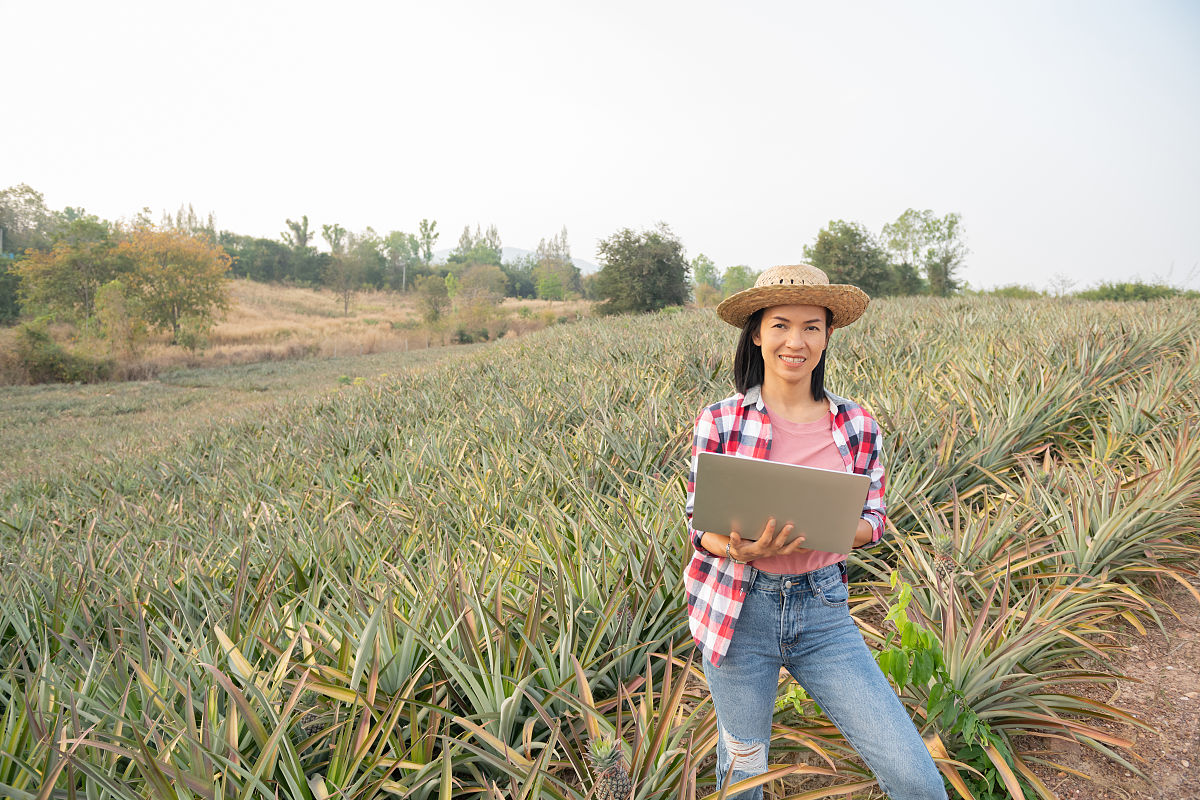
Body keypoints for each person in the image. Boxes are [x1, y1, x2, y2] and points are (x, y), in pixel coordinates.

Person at [685, 264, 946, 799]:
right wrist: (737, 547)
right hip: (739, 611)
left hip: (822, 611)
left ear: (827, 336)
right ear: (756, 334)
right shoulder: (721, 419)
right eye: (780, 325)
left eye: (811, 327)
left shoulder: (857, 423)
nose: (795, 341)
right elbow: (700, 522)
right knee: (743, 780)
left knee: (915, 778)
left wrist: (835, 530)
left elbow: (875, 519)